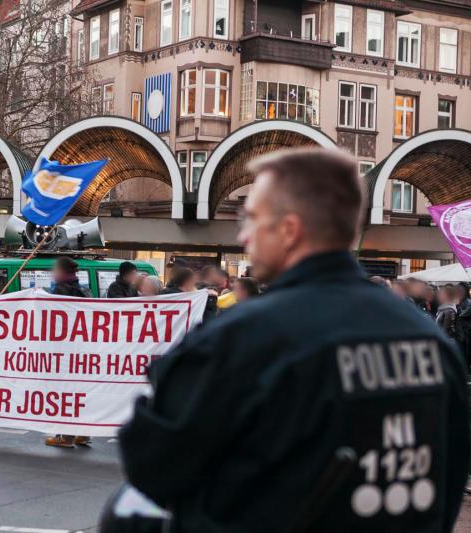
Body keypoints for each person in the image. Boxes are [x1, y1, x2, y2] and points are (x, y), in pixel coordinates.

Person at [119, 148, 469, 532]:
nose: (243, 235)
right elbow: (450, 479)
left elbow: (153, 464)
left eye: (252, 218)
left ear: (289, 230)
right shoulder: (431, 343)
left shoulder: (245, 338)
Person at [46, 256, 92, 449]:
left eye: (55, 269)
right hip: (82, 350)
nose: (53, 273)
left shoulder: (60, 291)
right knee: (79, 391)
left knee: (66, 393)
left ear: (61, 272)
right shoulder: (84, 290)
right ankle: (84, 433)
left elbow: (55, 322)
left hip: (65, 351)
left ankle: (66, 436)